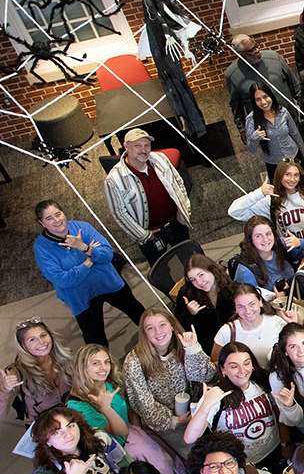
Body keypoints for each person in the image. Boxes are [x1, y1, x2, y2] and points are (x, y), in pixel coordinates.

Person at [33, 200, 145, 347]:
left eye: (58, 214)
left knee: (139, 314)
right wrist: (89, 261)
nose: (57, 221)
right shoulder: (41, 248)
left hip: (108, 282)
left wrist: (84, 247)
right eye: (49, 218)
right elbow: (62, 280)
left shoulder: (82, 227)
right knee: (95, 340)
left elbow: (108, 255)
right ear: (42, 223)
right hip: (80, 297)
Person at [68, 343, 179, 474]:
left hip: (134, 435)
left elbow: (130, 408)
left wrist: (139, 432)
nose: (103, 368)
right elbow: (120, 432)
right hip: (119, 449)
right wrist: (106, 408)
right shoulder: (78, 405)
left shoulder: (111, 382)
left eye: (106, 362)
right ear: (82, 368)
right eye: (95, 363)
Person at [184, 342, 291, 474]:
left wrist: (285, 444)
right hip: (238, 463)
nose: (242, 371)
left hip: (273, 452)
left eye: (246, 363)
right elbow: (190, 438)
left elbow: (278, 413)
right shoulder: (215, 394)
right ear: (223, 369)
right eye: (234, 366)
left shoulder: (263, 381)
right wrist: (206, 405)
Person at [124, 308, 215, 459]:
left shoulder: (183, 345)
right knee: (197, 458)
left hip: (201, 410)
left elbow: (205, 376)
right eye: (150, 328)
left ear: (171, 325)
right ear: (144, 333)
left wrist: (192, 349)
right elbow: (143, 404)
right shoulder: (135, 362)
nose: (158, 332)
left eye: (162, 325)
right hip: (171, 426)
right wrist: (174, 421)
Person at [103, 129, 193, 264]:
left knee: (189, 261)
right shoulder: (114, 179)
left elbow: (178, 182)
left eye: (147, 145)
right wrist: (144, 236)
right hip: (151, 235)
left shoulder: (160, 159)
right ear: (126, 147)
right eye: (137, 145)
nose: (143, 150)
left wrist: (185, 209)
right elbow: (119, 213)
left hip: (177, 223)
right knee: (161, 270)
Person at [228, 159, 304, 240]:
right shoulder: (270, 200)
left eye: (296, 175)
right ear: (280, 176)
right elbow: (234, 211)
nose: (292, 179)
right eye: (287, 175)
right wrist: (259, 193)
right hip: (289, 255)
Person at [226, 34, 302, 138]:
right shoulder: (232, 75)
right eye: (252, 50)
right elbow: (236, 105)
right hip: (264, 128)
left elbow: (294, 84)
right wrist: (242, 129)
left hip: (290, 119)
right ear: (240, 54)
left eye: (257, 45)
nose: (257, 50)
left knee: (301, 150)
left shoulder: (274, 57)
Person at [2, 319, 72, 427]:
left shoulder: (65, 358)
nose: (41, 342)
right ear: (23, 346)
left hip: (73, 419)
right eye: (32, 339)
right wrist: (5, 389)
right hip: (44, 429)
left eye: (43, 335)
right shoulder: (17, 373)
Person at [232, 216, 304, 298]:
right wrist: (276, 299)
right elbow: (250, 305)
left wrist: (300, 243)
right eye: (258, 236)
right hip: (272, 308)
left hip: (296, 298)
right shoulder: (245, 271)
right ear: (250, 239)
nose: (265, 239)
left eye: (268, 234)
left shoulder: (281, 245)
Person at [176, 255, 239, 359]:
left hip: (234, 343)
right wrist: (189, 314)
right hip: (207, 350)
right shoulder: (186, 294)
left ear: (212, 270)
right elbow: (179, 328)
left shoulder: (231, 288)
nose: (199, 283)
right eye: (193, 279)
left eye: (201, 275)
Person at [211, 283, 289, 365]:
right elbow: (215, 362)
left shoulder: (277, 323)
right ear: (235, 309)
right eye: (241, 307)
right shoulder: (227, 332)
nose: (247, 311)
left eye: (251, 304)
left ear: (260, 302)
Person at [244, 81, 304, 178]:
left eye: (265, 96)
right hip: (275, 165)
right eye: (258, 99)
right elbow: (251, 149)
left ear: (271, 96)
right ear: (254, 102)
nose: (263, 102)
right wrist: (255, 137)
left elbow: (296, 135)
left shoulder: (282, 111)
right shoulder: (251, 119)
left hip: (294, 156)